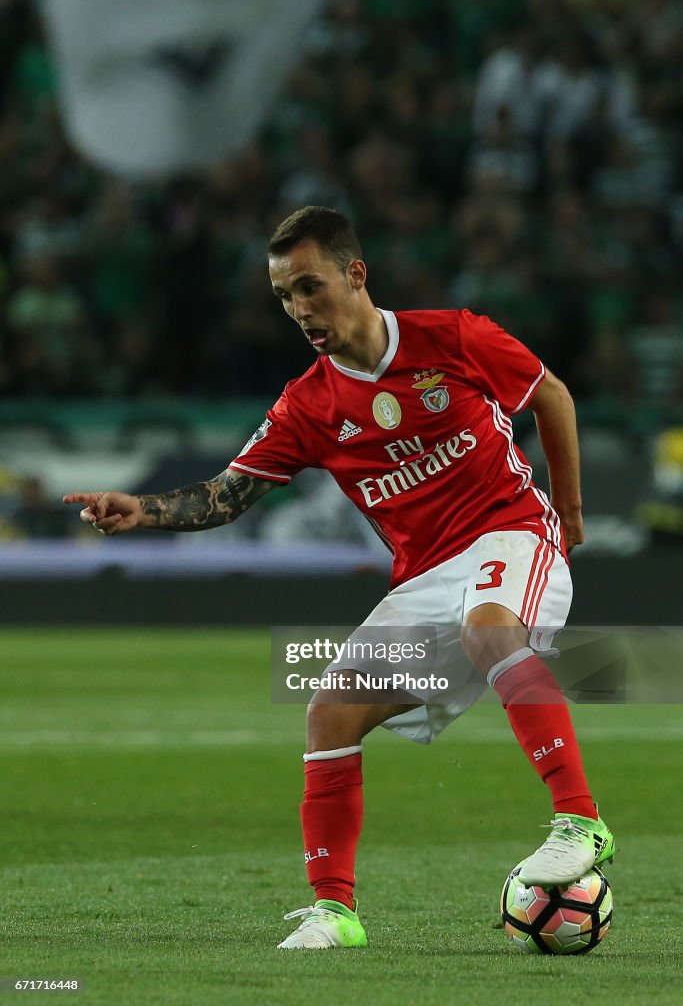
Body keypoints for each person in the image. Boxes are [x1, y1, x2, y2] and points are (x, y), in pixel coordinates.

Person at [64, 205, 615, 950]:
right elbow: (228, 494)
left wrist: (570, 514)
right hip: (424, 574)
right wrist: (144, 510)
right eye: (285, 296)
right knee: (330, 708)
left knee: (487, 626)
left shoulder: (450, 336)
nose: (298, 309)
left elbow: (550, 395)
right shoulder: (308, 404)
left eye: (310, 287)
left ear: (356, 274)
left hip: (510, 530)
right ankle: (334, 912)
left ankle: (580, 823)